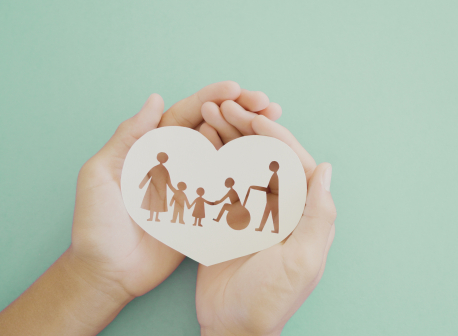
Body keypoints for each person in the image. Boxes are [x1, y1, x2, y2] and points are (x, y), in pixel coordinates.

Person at [0, 82, 335, 336]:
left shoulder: (223, 192)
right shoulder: (163, 174)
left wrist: (235, 328)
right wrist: (92, 276)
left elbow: (209, 199)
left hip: (201, 209)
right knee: (170, 208)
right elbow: (161, 186)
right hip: (175, 202)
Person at [139, 152, 176, 222]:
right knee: (153, 202)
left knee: (157, 203)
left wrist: (173, 189)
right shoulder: (161, 169)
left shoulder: (164, 170)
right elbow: (148, 176)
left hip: (160, 189)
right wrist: (141, 185)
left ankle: (156, 218)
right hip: (154, 188)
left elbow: (168, 181)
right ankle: (152, 217)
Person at [252, 161, 280, 233]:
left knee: (269, 214)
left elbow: (270, 189)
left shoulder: (274, 176)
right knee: (269, 214)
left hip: (273, 199)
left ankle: (264, 228)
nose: (269, 167)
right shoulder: (274, 176)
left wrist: (257, 188)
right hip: (272, 199)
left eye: (271, 166)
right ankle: (263, 228)